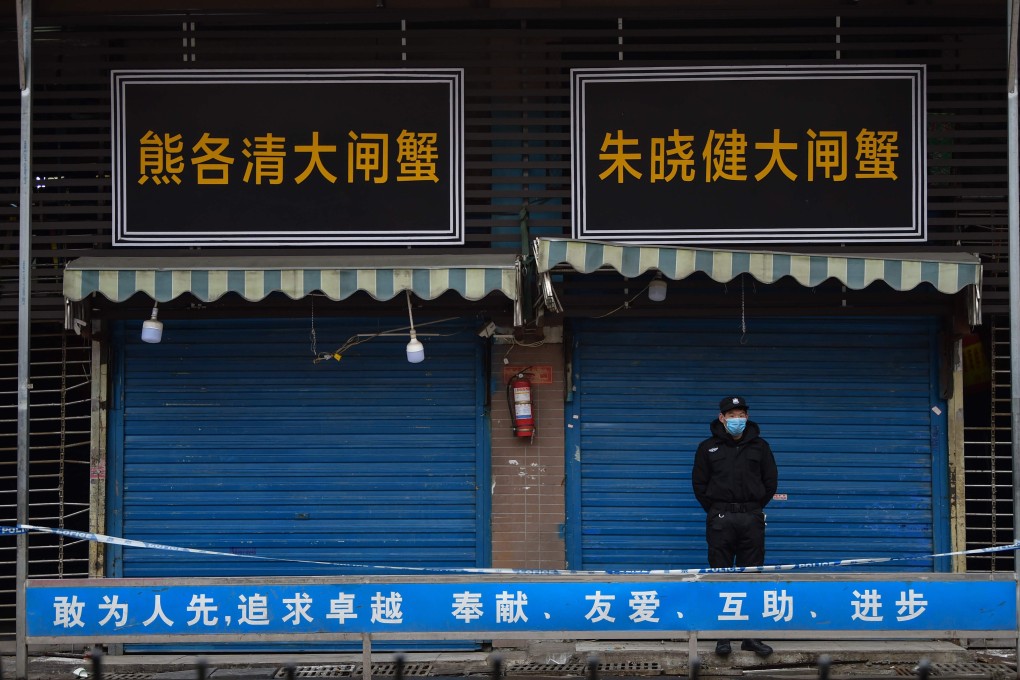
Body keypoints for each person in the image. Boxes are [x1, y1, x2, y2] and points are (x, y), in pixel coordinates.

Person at [691, 396, 778, 659]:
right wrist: (717, 510)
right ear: (722, 418)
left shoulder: (760, 447)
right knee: (721, 575)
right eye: (731, 415)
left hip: (751, 516)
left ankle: (751, 636)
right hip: (720, 518)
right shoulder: (708, 448)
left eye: (741, 414)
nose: (736, 419)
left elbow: (770, 481)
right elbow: (699, 484)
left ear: (747, 417)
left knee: (751, 577)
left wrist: (753, 508)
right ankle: (723, 636)